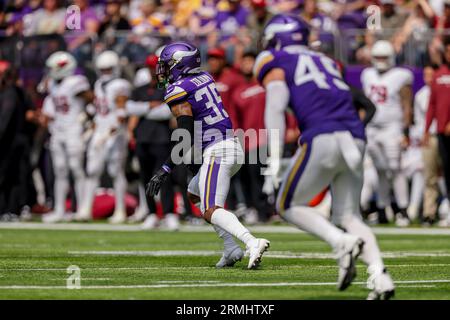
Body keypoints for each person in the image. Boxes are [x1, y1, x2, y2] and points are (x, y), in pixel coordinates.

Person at [254, 14, 394, 299]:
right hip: (354, 135)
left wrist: (274, 156)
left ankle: (340, 241)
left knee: (287, 204)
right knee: (350, 215)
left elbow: (276, 105)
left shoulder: (274, 59)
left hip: (322, 135)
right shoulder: (327, 60)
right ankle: (380, 275)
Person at [146, 42, 270, 269]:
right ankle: (230, 248)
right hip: (230, 146)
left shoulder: (178, 90)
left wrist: (165, 169)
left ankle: (251, 242)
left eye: (166, 65)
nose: (162, 71)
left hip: (218, 151)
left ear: (178, 64)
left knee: (211, 208)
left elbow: (184, 135)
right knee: (195, 194)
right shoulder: (204, 77)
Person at [361, 40, 413, 226]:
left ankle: (403, 210)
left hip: (392, 127)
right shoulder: (367, 74)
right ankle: (383, 210)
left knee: (395, 168)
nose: (381, 61)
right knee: (379, 170)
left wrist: (405, 130)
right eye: (378, 57)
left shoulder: (401, 75)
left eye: (384, 57)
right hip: (372, 128)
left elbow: (407, 105)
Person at [77, 50, 131, 223]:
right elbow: (99, 110)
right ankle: (85, 209)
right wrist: (90, 128)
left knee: (115, 171)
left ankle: (120, 210)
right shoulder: (99, 83)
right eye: (103, 69)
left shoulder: (120, 84)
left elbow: (121, 113)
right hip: (100, 131)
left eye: (108, 69)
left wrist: (110, 132)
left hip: (114, 133)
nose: (105, 72)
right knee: (92, 170)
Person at [126, 54, 178, 230]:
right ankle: (151, 213)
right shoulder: (139, 89)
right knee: (146, 178)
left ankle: (170, 213)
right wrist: (151, 106)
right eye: (150, 68)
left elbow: (166, 112)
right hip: (143, 138)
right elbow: (129, 108)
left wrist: (143, 109)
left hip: (162, 138)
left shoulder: (168, 88)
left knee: (164, 177)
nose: (153, 71)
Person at [40, 51, 94, 223]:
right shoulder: (54, 84)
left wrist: (88, 115)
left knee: (76, 168)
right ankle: (60, 209)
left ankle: (83, 209)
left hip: (73, 130)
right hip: (58, 130)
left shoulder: (75, 82)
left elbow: (91, 98)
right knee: (60, 170)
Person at [424, 40, 450, 224]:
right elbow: (432, 105)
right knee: (446, 172)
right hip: (442, 133)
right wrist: (426, 129)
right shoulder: (439, 75)